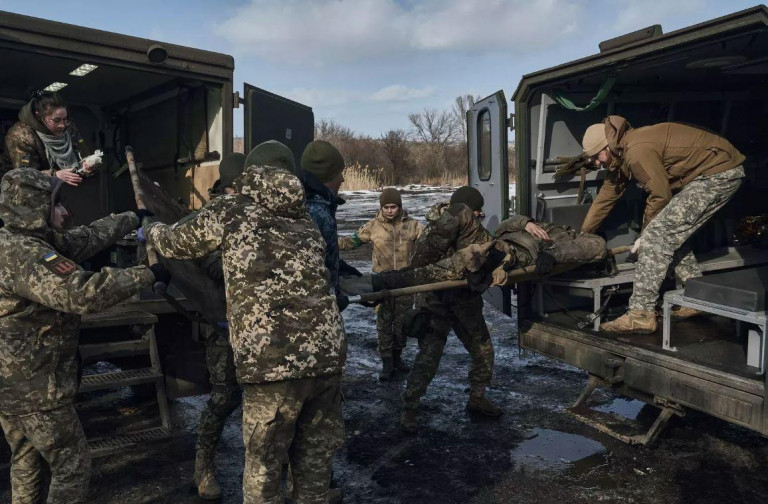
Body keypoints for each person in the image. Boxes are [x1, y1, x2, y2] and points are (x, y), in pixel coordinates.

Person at [144, 163, 347, 504]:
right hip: (327, 358)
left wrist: (150, 230)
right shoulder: (305, 219)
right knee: (313, 471)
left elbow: (176, 243)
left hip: (272, 362)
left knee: (264, 469)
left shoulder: (231, 209)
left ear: (246, 183)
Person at [0, 168, 168, 504]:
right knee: (72, 467)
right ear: (34, 207)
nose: (64, 212)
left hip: (15, 386)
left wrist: (131, 218)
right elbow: (83, 294)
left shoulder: (26, 241)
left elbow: (86, 238)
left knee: (25, 460)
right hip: (35, 390)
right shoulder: (26, 255)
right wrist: (146, 274)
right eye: (57, 204)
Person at [580, 116, 746, 334]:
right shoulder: (621, 153)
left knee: (656, 236)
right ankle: (694, 298)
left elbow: (659, 196)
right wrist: (584, 232)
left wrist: (645, 235)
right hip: (707, 174)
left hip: (719, 174)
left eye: (597, 157)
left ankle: (640, 315)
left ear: (606, 147)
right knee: (668, 235)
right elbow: (607, 195)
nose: (597, 163)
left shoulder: (636, 151)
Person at [398, 186, 502, 433]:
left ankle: (477, 398)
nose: (480, 214)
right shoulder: (437, 227)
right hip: (436, 302)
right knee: (428, 357)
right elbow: (421, 263)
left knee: (483, 349)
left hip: (465, 303)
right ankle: (409, 407)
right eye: (477, 210)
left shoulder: (472, 229)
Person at [191, 152, 245, 501]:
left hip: (258, 324)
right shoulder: (207, 218)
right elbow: (210, 265)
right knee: (224, 397)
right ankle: (203, 466)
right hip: (223, 322)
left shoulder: (256, 215)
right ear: (232, 185)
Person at [339, 187, 423, 380]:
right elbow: (351, 241)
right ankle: (387, 363)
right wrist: (329, 243)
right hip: (380, 283)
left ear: (399, 207)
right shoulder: (373, 226)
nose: (390, 210)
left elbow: (430, 240)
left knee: (402, 323)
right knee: (384, 323)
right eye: (386, 207)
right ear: (381, 207)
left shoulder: (413, 225)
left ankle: (398, 357)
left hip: (404, 283)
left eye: (393, 206)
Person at [2, 91, 101, 187]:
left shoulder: (69, 128)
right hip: (16, 190)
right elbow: (23, 175)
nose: (62, 125)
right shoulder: (22, 135)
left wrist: (85, 168)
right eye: (56, 120)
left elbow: (81, 157)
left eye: (65, 119)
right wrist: (55, 175)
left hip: (54, 190)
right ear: (39, 116)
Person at [301, 140, 346, 294]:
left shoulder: (306, 202)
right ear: (329, 176)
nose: (342, 179)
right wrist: (333, 296)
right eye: (339, 173)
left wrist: (339, 267)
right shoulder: (317, 212)